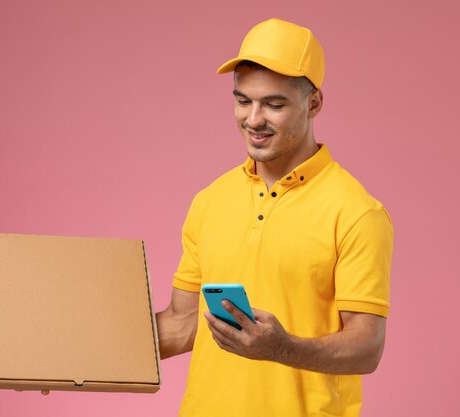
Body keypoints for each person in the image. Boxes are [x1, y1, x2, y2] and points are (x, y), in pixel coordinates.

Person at [156, 18, 393, 417]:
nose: (253, 119)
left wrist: (282, 348)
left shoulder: (356, 212)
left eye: (274, 104)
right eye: (243, 100)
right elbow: (183, 325)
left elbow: (367, 347)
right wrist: (70, 358)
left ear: (313, 102)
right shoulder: (211, 200)